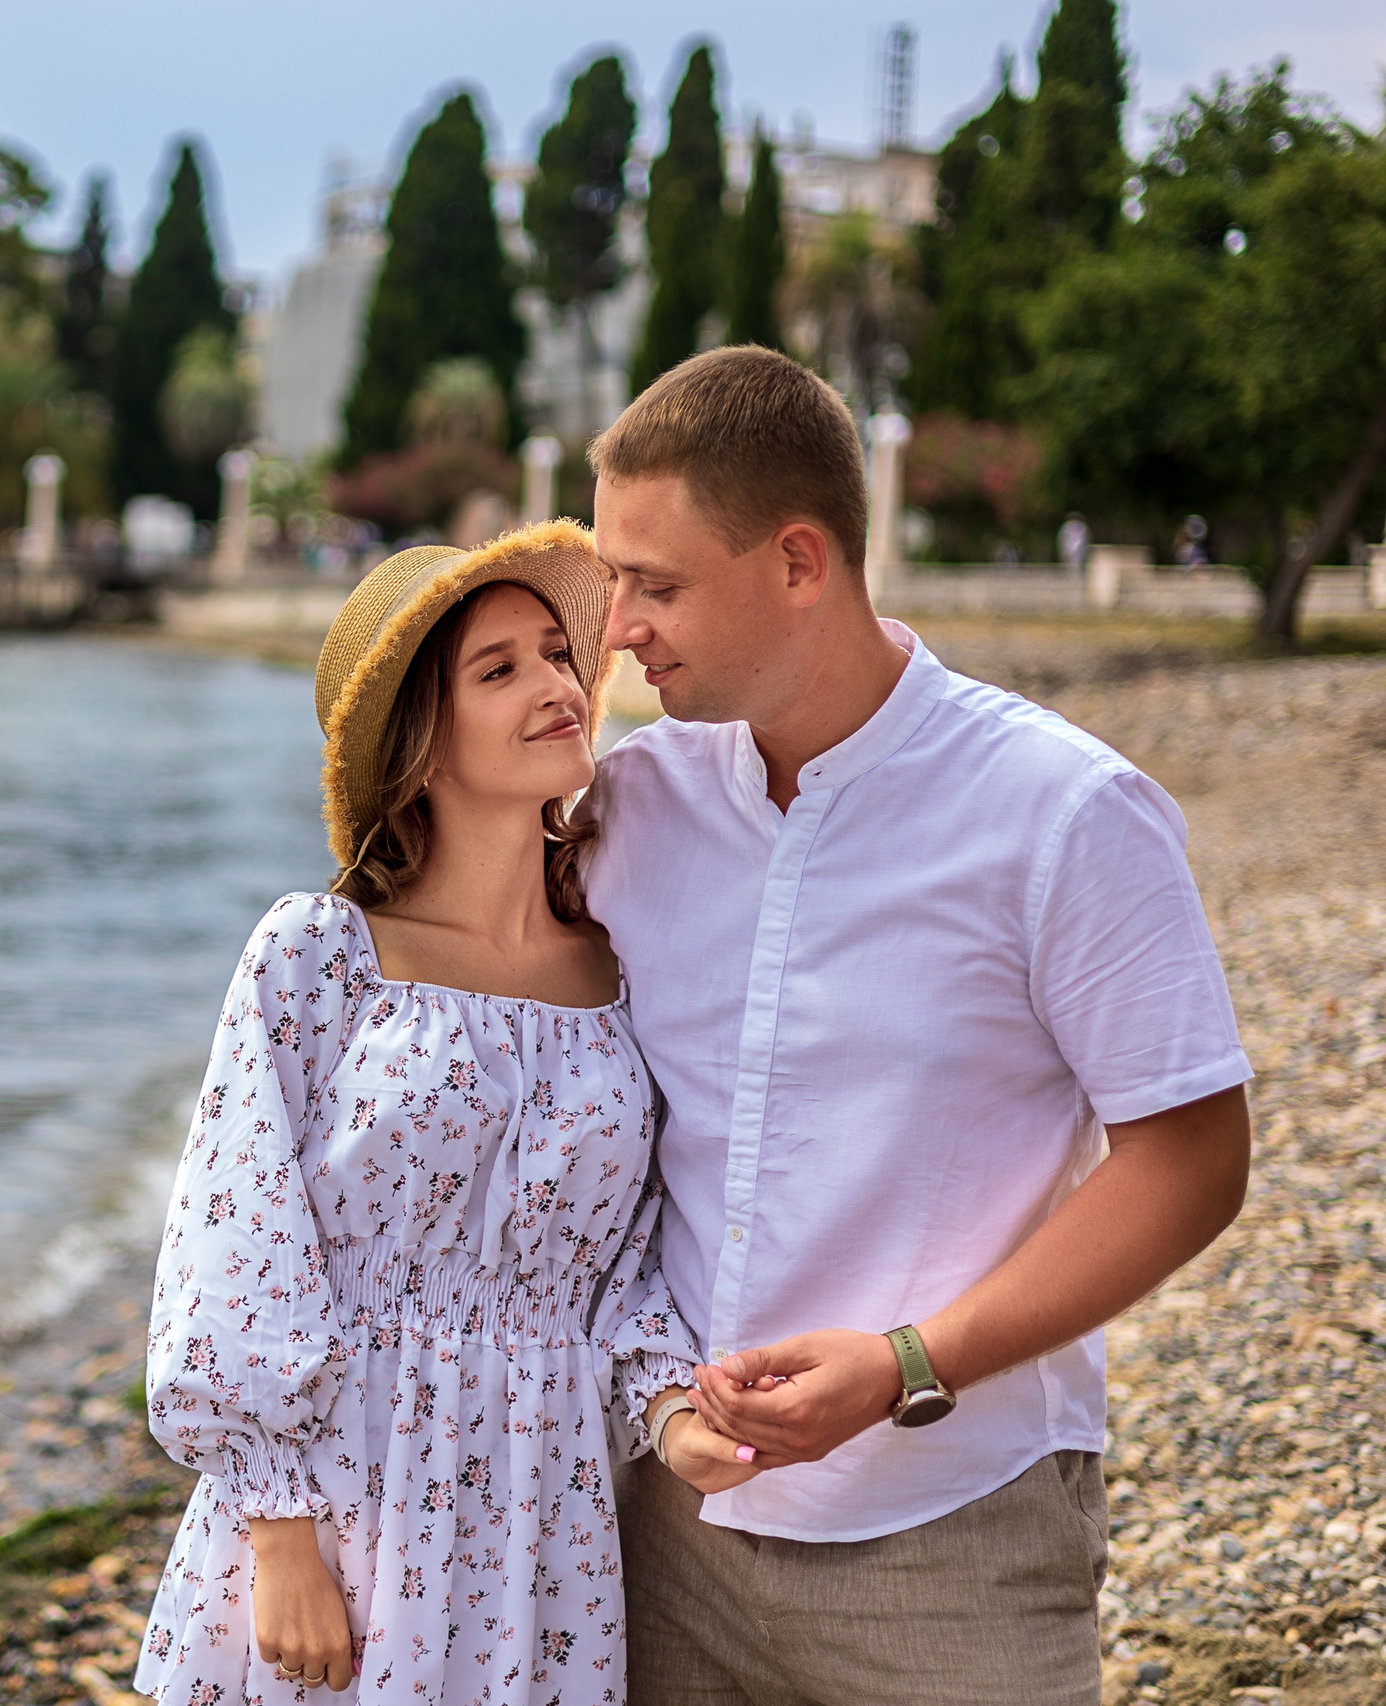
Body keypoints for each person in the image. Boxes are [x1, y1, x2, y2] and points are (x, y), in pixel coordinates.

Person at [581, 346, 1252, 1704]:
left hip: (956, 1526)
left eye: (656, 585)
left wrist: (906, 1367)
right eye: (612, 584)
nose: (619, 629)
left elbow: (1193, 1160)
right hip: (661, 1526)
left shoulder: (1064, 813)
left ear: (799, 563)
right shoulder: (623, 806)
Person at [134, 526, 755, 1706]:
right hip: (339, 1492)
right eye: (499, 669)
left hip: (545, 1513)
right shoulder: (318, 957)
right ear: (419, 745)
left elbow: (621, 1263)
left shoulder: (620, 970)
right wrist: (276, 1531)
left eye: (555, 653)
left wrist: (672, 1409)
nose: (558, 686)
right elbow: (238, 1241)